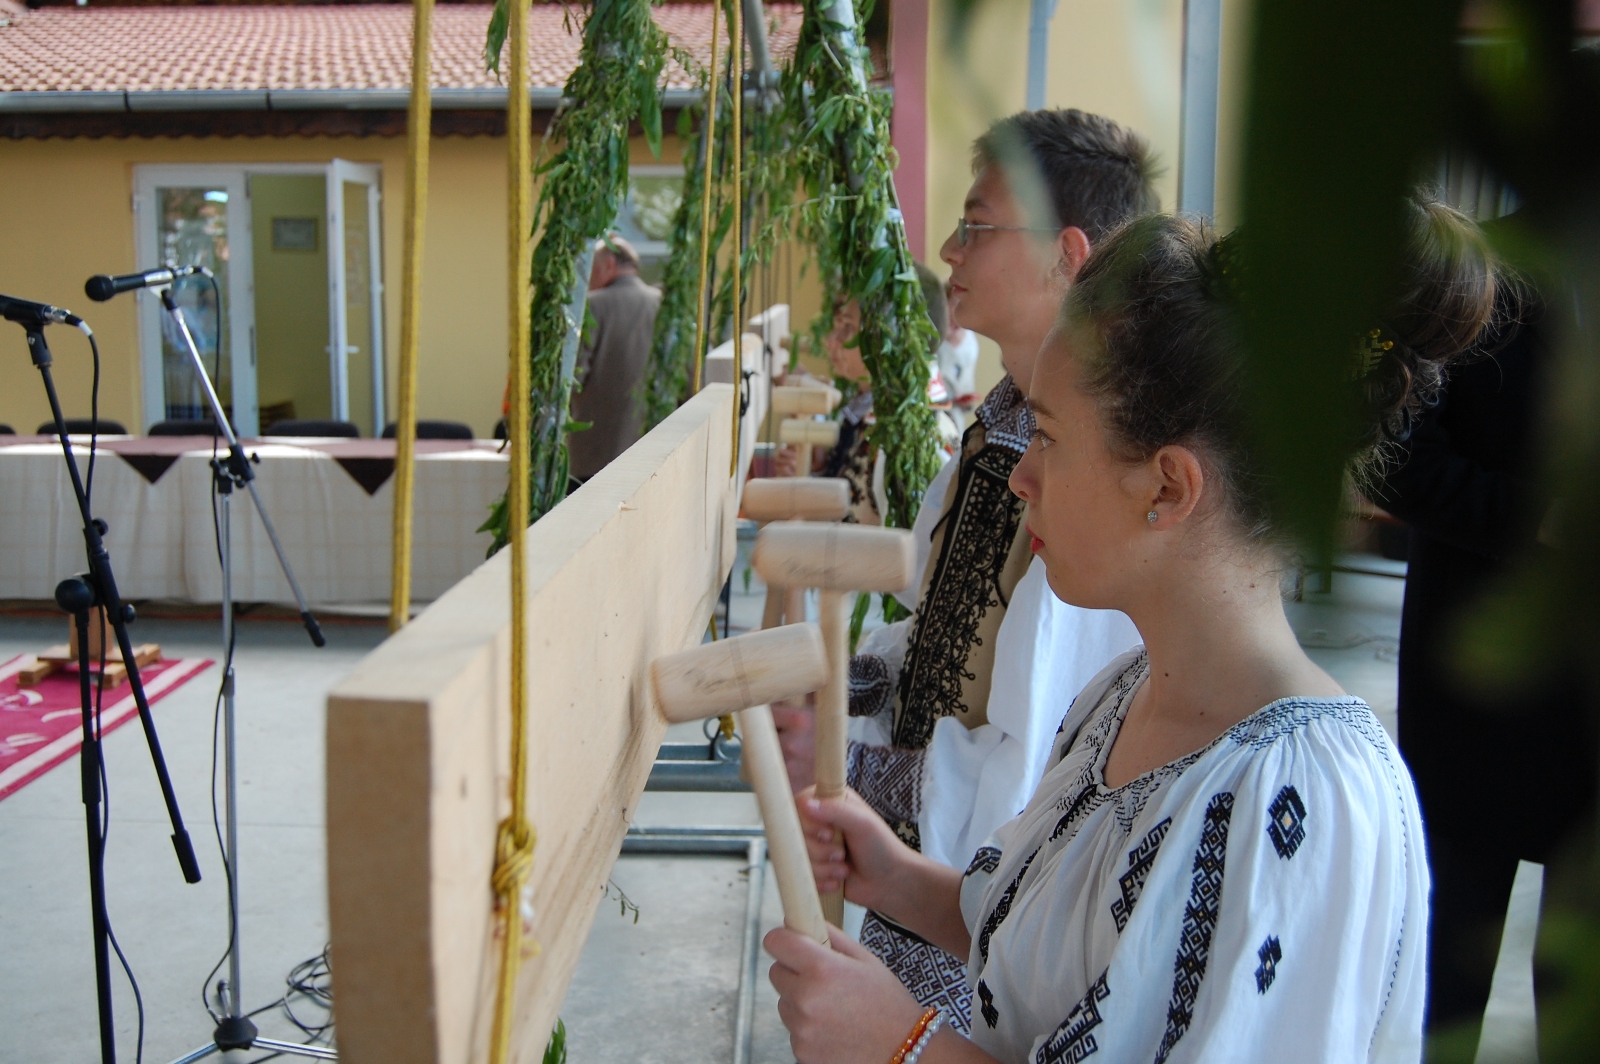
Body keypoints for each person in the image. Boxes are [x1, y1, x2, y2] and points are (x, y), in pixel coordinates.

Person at [765, 201, 1499, 1063]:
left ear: (1169, 487)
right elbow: (1075, 961)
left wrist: (907, 1044)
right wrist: (897, 878)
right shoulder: (1121, 696)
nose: (1022, 480)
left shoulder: (1294, 802)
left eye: (1046, 436)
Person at [775, 109, 1151, 1031]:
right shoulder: (995, 435)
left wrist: (856, 771)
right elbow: (930, 636)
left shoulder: (1093, 476)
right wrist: (836, 694)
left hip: (984, 906)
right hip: (927, 881)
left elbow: (1035, 763)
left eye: (978, 226)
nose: (950, 247)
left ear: (1068, 254)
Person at [1375, 257, 1595, 1028]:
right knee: (1450, 977)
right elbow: (1399, 464)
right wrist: (1540, 519)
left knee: (1574, 988)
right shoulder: (1480, 281)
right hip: (1475, 691)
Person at [567, 234, 661, 482]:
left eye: (591, 271)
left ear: (608, 266)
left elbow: (572, 378)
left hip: (597, 454)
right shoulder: (665, 307)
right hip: (655, 451)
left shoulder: (592, 307)